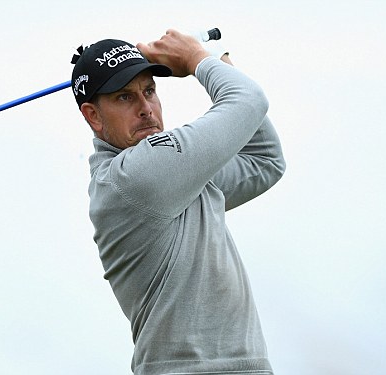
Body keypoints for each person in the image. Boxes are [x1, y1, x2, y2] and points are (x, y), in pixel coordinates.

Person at [70, 29, 285, 374]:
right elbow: (249, 101)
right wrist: (197, 59)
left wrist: (216, 60)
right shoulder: (134, 176)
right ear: (93, 116)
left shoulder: (175, 174)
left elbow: (264, 161)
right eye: (124, 98)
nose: (145, 108)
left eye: (150, 91)